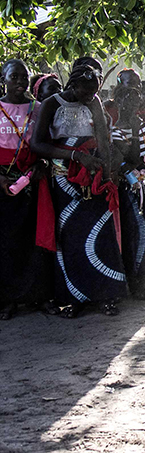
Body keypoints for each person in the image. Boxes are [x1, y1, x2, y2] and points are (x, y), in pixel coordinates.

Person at [31, 63, 127, 318]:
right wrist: (74, 155)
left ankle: (107, 295)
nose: (89, 97)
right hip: (64, 179)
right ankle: (75, 297)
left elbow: (104, 140)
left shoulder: (94, 101)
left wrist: (107, 176)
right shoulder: (52, 103)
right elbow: (37, 143)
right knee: (71, 237)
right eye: (85, 92)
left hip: (93, 175)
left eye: (93, 92)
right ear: (72, 86)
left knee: (101, 234)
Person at [1, 59, 55, 320]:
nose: (21, 82)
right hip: (4, 183)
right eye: (15, 77)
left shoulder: (38, 108)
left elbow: (47, 143)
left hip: (34, 180)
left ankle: (38, 296)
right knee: (8, 242)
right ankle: (9, 299)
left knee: (36, 241)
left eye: (25, 77)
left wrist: (42, 165)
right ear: (4, 79)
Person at [110, 85, 145, 302]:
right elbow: (120, 159)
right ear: (119, 102)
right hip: (130, 187)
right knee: (137, 231)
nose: (133, 104)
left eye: (136, 99)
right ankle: (136, 283)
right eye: (128, 100)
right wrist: (137, 161)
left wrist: (143, 160)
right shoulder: (117, 129)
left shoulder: (142, 124)